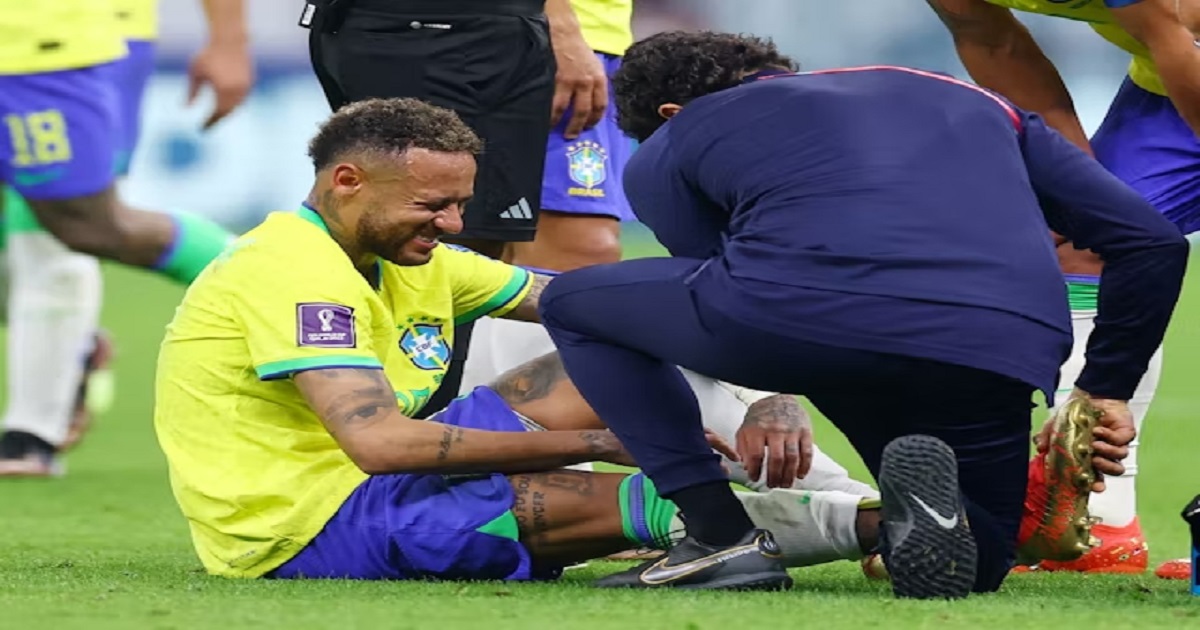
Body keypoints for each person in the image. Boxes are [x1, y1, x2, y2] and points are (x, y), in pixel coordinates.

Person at [538, 32, 1187, 597]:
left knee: (574, 302)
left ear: (669, 113)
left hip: (808, 322)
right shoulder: (975, 101)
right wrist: (1104, 389)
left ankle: (716, 534)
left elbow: (713, 276)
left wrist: (770, 399)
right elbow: (1152, 242)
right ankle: (956, 522)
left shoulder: (680, 135)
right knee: (978, 560)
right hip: (1002, 342)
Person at [153, 97, 882, 582]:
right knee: (669, 500)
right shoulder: (292, 270)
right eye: (432, 205)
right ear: (347, 181)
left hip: (382, 479)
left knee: (612, 334)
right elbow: (380, 445)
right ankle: (888, 524)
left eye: (459, 205)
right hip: (311, 527)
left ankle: (853, 503)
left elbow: (623, 310)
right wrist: (600, 444)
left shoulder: (420, 260)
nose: (451, 225)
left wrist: (771, 391)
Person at [925, 0, 1199, 577]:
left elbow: (1177, 25)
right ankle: (1099, 522)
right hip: (1170, 77)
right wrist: (1079, 194)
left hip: (1185, 51)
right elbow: (992, 40)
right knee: (1094, 238)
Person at [305, 0, 603, 420]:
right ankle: (397, 426)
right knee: (427, 234)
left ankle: (419, 424)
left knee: (467, 240)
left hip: (485, 28)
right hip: (440, 27)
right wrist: (565, 26)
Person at [0, 0, 254, 476]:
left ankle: (31, 433)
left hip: (52, 45)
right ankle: (67, 343)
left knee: (71, 229)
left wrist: (228, 41)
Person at [467, 0, 640, 388]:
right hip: (537, 33)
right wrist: (557, 25)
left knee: (473, 249)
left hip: (559, 34)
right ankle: (520, 420)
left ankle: (462, 415)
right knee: (579, 257)